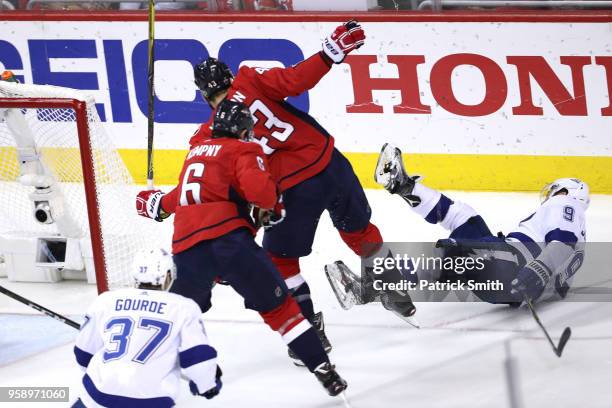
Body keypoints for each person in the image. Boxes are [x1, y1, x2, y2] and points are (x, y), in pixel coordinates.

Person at [143, 19, 383, 365]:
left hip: (294, 190)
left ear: (202, 95)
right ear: (228, 77)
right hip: (329, 162)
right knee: (358, 229)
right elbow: (296, 80)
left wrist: (160, 205)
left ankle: (309, 331)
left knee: (281, 260)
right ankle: (388, 279)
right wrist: (329, 53)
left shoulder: (207, 135)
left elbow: (196, 185)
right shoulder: (249, 78)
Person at [136, 100, 347, 396]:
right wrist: (273, 206)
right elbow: (260, 192)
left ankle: (141, 364)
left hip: (187, 246)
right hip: (229, 242)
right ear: (242, 130)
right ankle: (324, 370)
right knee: (281, 311)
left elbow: (186, 197)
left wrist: (156, 203)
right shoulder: (244, 149)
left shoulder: (194, 152)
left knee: (178, 313)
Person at [328, 143, 588, 318]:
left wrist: (537, 272)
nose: (552, 195)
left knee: (452, 256)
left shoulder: (565, 203)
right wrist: (537, 283)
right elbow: (560, 284)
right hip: (512, 275)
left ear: (568, 191)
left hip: (513, 266)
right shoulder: (579, 234)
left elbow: (561, 244)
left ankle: (368, 289)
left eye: (557, 191)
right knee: (466, 219)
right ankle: (406, 186)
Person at [72, 248, 222, 408]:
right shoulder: (184, 307)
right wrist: (206, 384)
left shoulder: (106, 300)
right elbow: (197, 357)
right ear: (169, 275)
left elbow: (83, 353)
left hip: (96, 397)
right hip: (152, 401)